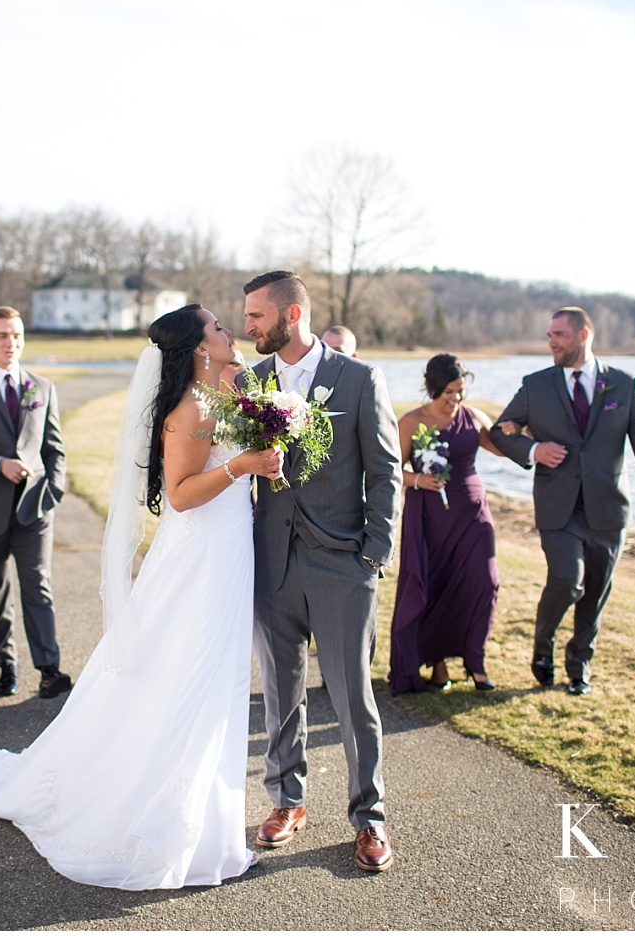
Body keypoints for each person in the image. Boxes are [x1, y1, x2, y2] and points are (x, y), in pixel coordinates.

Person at [0, 305, 284, 890]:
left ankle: (202, 821)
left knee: (210, 675)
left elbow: (235, 413)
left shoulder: (220, 391)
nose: (230, 332)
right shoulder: (189, 408)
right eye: (219, 328)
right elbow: (180, 494)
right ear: (197, 347)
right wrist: (244, 464)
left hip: (227, 549)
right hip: (201, 553)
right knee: (193, 674)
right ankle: (175, 825)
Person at [243, 270, 401, 872]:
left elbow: (386, 471)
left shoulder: (358, 379)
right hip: (273, 563)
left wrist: (373, 554)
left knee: (351, 695)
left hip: (342, 563)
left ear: (291, 316)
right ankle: (287, 799)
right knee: (281, 690)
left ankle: (370, 817)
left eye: (256, 316)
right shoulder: (252, 383)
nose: (249, 327)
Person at [484, 307, 635, 695]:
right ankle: (543, 647)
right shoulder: (536, 385)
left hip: (608, 508)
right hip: (558, 505)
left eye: (558, 335)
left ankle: (579, 667)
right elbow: (501, 433)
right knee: (568, 580)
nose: (551, 342)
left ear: (583, 335)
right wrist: (535, 448)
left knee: (597, 590)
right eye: (549, 335)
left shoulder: (623, 383)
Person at [0, 307, 71, 700]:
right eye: (2, 335)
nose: (11, 343)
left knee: (38, 587)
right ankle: (6, 664)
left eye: (17, 335)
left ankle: (49, 669)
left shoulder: (42, 387)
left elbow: (54, 449)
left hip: (35, 508)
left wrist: (52, 489)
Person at [388, 353, 500, 695]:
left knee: (485, 582)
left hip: (473, 513)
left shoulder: (473, 417)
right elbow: (391, 470)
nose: (455, 399)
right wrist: (419, 480)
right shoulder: (410, 422)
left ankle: (475, 660)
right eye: (448, 392)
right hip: (429, 517)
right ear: (432, 388)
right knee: (434, 585)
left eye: (460, 391)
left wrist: (524, 429)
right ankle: (436, 664)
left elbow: (501, 447)